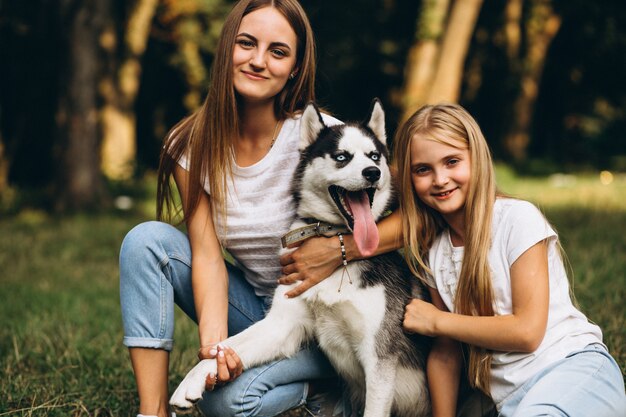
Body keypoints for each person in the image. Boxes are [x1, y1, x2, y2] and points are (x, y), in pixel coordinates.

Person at [119, 1, 348, 416]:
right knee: (145, 242)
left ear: (296, 67)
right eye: (246, 43)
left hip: (327, 326)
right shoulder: (188, 145)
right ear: (227, 48)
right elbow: (206, 255)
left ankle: (324, 387)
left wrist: (340, 250)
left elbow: (409, 218)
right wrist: (215, 348)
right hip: (260, 314)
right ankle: (151, 411)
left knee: (225, 405)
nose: (258, 61)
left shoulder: (325, 138)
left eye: (278, 52)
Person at [395, 103, 626, 417]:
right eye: (423, 169)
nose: (440, 179)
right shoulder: (434, 252)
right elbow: (447, 353)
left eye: (452, 162)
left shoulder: (516, 220)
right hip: (509, 401)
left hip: (572, 372)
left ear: (477, 158)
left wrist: (436, 321)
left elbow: (527, 333)